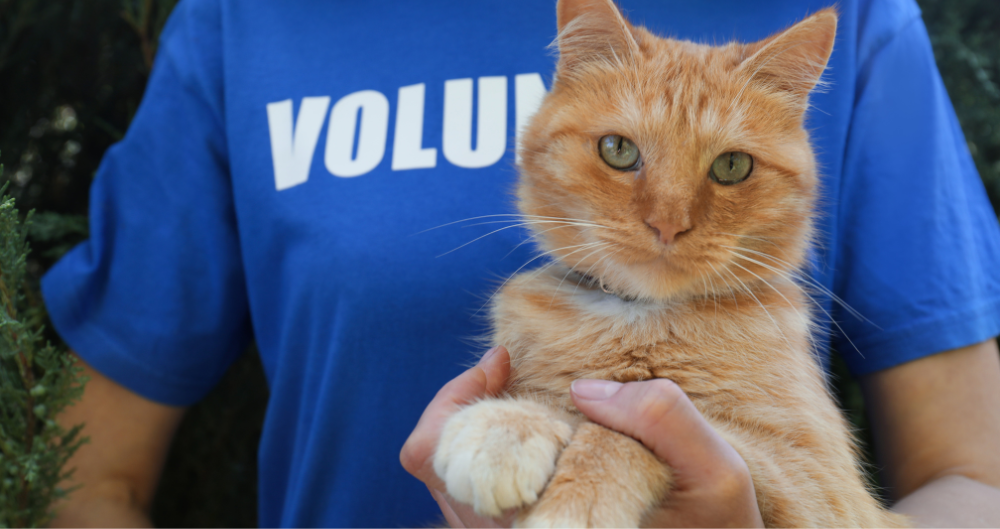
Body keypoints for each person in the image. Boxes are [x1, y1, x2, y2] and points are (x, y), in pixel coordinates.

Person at [46, 0, 1000, 527]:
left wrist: (628, 458)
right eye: (621, 154)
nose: (669, 219)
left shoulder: (858, 17)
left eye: (730, 169)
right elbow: (85, 477)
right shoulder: (246, 20)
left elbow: (979, 481)